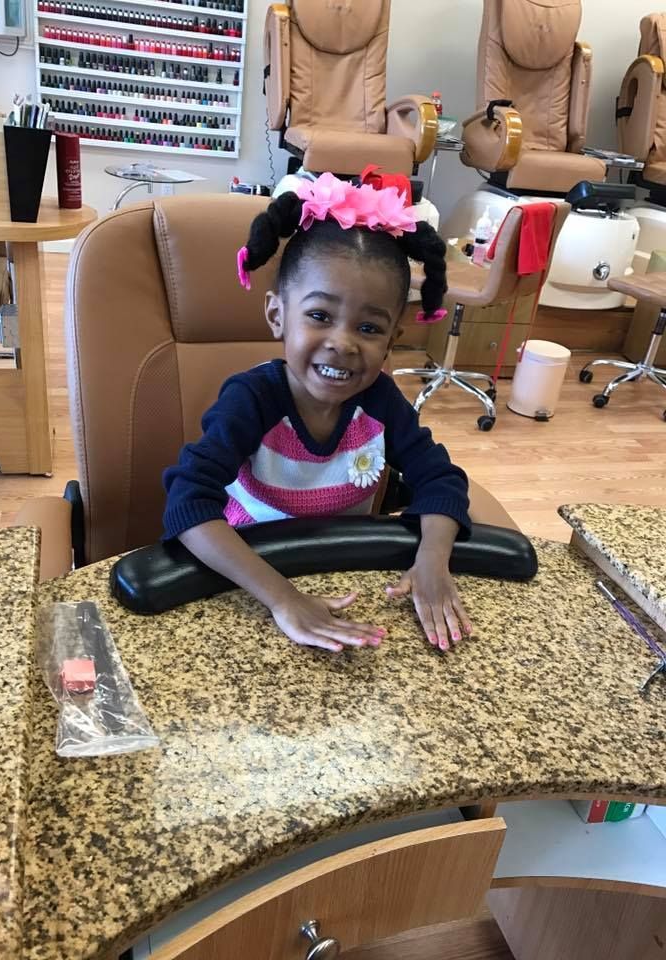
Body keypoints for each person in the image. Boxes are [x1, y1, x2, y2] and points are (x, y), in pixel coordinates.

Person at [163, 172, 472, 654]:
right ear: (277, 315)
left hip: (345, 579)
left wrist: (432, 560)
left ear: (392, 340)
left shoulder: (380, 402)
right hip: (250, 580)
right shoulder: (251, 400)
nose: (343, 343)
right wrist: (283, 599)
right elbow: (187, 504)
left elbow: (440, 480)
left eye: (369, 328)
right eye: (320, 316)